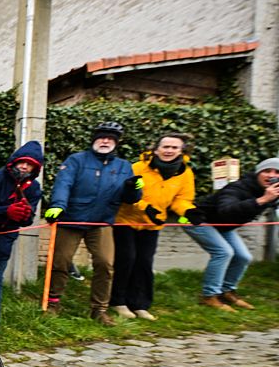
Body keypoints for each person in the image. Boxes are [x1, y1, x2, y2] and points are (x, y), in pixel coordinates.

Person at [43, 121, 142, 325]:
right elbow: (64, 183)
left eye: (110, 138)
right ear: (94, 139)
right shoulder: (76, 160)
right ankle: (53, 303)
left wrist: (133, 188)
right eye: (101, 137)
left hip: (102, 222)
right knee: (61, 261)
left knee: (105, 263)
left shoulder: (124, 166)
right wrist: (58, 205)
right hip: (71, 219)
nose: (105, 141)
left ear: (116, 142)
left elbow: (131, 198)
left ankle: (99, 309)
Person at [110, 134, 196, 320]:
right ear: (156, 149)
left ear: (181, 151)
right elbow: (126, 192)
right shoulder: (139, 167)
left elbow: (182, 199)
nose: (169, 151)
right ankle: (118, 302)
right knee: (126, 260)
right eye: (165, 147)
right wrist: (144, 207)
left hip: (152, 225)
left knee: (144, 263)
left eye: (174, 148)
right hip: (126, 220)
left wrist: (188, 212)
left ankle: (140, 305)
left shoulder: (185, 173)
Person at [183, 157, 279, 310]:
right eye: (266, 171)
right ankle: (209, 296)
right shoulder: (237, 188)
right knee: (224, 252)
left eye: (276, 172)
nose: (271, 175)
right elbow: (227, 210)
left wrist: (267, 198)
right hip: (193, 219)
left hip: (222, 226)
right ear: (257, 173)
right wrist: (262, 200)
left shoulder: (272, 191)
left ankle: (226, 291)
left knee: (243, 257)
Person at [0, 141, 44, 335]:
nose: (25, 167)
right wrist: (6, 211)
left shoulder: (34, 188)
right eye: (23, 162)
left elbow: (28, 220)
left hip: (5, 240)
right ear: (15, 161)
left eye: (30, 165)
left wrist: (24, 215)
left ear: (35, 168)